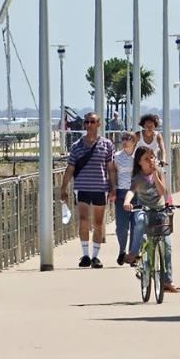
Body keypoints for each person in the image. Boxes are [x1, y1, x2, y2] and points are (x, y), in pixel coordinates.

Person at [58, 111, 118, 268]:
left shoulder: (107, 144)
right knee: (83, 221)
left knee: (98, 223)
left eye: (92, 122)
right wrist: (63, 188)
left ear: (99, 124)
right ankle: (85, 255)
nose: (89, 125)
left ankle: (95, 256)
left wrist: (113, 187)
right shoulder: (76, 146)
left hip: (100, 187)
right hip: (82, 187)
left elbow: (111, 168)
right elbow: (70, 168)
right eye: (87, 122)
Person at [125, 145, 180, 293]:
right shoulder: (137, 178)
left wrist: (156, 174)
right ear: (139, 162)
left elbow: (163, 192)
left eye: (152, 157)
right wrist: (127, 202)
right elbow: (131, 191)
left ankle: (167, 281)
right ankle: (134, 252)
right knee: (140, 221)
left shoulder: (159, 172)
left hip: (160, 210)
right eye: (146, 158)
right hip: (144, 209)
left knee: (167, 247)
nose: (150, 160)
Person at [112, 132, 138, 265]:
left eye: (128, 139)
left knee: (136, 225)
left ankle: (133, 254)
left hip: (137, 194)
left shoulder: (139, 156)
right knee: (121, 227)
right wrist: (113, 189)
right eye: (123, 139)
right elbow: (113, 173)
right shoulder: (116, 156)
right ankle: (122, 250)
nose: (125, 141)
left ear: (134, 141)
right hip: (121, 193)